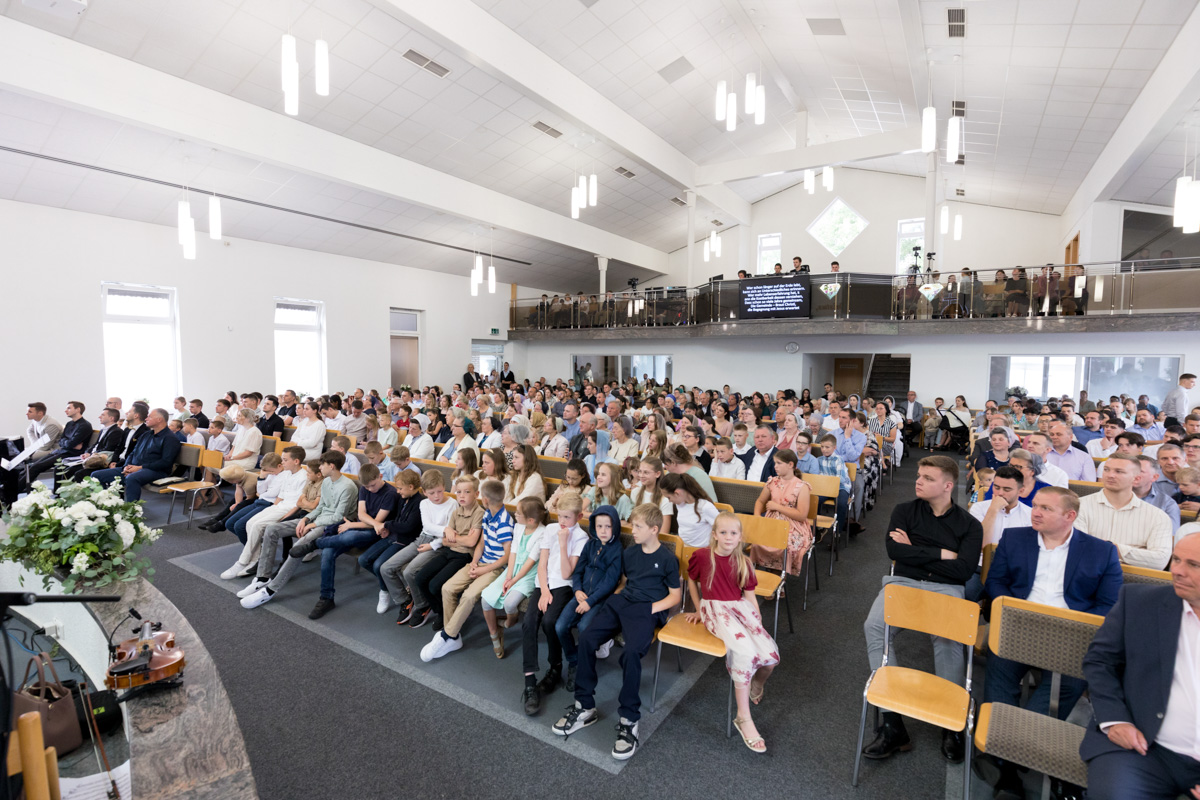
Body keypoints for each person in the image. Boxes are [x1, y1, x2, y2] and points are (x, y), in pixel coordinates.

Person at [980, 486, 1124, 799]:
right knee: (999, 676)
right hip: (1019, 624)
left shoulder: (1100, 551)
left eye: (1046, 508)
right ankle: (1008, 758)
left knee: (1067, 685)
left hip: (1070, 633)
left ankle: (1007, 757)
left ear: (1070, 516)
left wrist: (1073, 625)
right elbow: (996, 581)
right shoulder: (1015, 538)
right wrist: (1011, 608)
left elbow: (1108, 604)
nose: (1036, 512)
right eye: (1036, 505)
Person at [861, 456, 982, 764]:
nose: (918, 480)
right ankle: (892, 723)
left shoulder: (970, 525)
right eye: (919, 475)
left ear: (948, 485)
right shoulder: (904, 510)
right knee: (875, 627)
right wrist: (943, 554)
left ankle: (951, 724)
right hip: (903, 582)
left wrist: (913, 551)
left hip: (947, 588)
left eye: (928, 478)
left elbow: (964, 571)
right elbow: (894, 551)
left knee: (948, 639)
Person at [553, 503, 681, 761]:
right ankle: (584, 706)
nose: (633, 530)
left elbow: (675, 597)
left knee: (631, 653)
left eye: (638, 527)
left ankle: (629, 719)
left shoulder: (668, 559)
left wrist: (649, 609)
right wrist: (616, 598)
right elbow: (623, 582)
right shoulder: (630, 553)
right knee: (587, 638)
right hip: (623, 601)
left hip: (647, 608)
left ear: (654, 529)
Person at [1079, 532, 1200, 800]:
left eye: (1194, 564)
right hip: (1143, 747)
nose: (1177, 571)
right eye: (1176, 559)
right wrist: (1116, 720)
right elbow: (1100, 661)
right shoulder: (1141, 603)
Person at [239, 451, 357, 610]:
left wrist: (313, 524)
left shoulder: (347, 486)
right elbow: (321, 507)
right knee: (272, 529)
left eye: (322, 465)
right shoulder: (327, 482)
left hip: (332, 525)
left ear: (331, 466)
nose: (320, 467)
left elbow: (337, 516)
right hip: (317, 519)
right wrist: (305, 519)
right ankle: (263, 577)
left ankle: (271, 590)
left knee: (300, 545)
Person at [421, 478, 513, 661]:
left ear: (484, 499)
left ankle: (446, 636)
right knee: (447, 588)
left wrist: (482, 570)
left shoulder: (504, 521)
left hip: (494, 568)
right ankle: (453, 637)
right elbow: (481, 544)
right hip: (480, 563)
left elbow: (507, 557)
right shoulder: (488, 514)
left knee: (469, 596)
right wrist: (474, 563)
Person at [302, 462, 398, 619]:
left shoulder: (390, 493)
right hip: (363, 526)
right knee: (328, 553)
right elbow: (362, 515)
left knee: (350, 536)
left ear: (380, 476)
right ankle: (326, 598)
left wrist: (352, 525)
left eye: (373, 485)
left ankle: (315, 544)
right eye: (366, 487)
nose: (370, 489)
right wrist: (362, 523)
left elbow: (377, 523)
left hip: (377, 533)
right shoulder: (364, 488)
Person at [522, 493, 588, 715]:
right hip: (545, 584)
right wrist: (543, 590)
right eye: (560, 516)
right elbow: (542, 565)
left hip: (564, 586)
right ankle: (529, 683)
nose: (562, 521)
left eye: (567, 517)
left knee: (550, 622)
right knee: (529, 621)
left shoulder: (581, 537)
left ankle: (555, 667)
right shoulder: (550, 529)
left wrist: (563, 542)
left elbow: (568, 573)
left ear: (578, 517)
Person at [555, 504, 623, 691]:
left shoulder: (617, 550)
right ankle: (574, 661)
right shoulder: (590, 545)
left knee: (585, 628)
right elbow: (578, 571)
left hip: (599, 599)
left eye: (608, 526)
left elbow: (610, 582)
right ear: (594, 526)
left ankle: (584, 665)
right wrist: (577, 590)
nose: (603, 531)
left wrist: (590, 601)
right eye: (599, 526)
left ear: (615, 527)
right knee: (560, 627)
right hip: (581, 595)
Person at [1075, 453, 1173, 570]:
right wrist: (1134, 553)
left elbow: (1160, 561)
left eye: (1119, 471)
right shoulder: (1078, 506)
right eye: (1106, 469)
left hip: (1134, 579)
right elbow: (1076, 550)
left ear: (1136, 478)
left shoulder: (1157, 516)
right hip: (1085, 573)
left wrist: (1114, 549)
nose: (1110, 475)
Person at [360, 469, 424, 615]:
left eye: (400, 488)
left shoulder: (419, 502)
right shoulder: (403, 497)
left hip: (405, 540)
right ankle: (393, 584)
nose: (398, 491)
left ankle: (392, 593)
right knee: (363, 560)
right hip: (393, 536)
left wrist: (386, 525)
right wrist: (386, 528)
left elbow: (408, 527)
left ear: (411, 487)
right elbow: (395, 518)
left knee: (378, 565)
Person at [966, 465, 1032, 600]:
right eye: (996, 487)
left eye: (1007, 489)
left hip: (1012, 573)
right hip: (980, 567)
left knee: (1011, 604)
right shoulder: (978, 508)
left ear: (1021, 491)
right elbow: (981, 545)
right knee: (966, 596)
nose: (1000, 493)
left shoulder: (1030, 515)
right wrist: (993, 510)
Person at [92, 408, 181, 502]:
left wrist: (139, 468)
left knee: (132, 478)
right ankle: (108, 503)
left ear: (159, 419)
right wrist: (127, 466)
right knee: (96, 475)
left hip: (155, 471)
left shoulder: (170, 438)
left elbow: (165, 462)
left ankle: (132, 508)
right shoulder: (146, 435)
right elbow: (133, 453)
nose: (146, 419)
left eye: (149, 417)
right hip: (134, 468)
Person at [23, 401, 93, 480]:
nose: (65, 410)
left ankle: (17, 486)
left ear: (78, 410)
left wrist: (67, 443)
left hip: (70, 454)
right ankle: (16, 485)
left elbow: (70, 444)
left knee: (37, 467)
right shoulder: (69, 424)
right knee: (34, 466)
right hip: (61, 451)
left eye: (69, 408)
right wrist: (67, 443)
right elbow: (62, 441)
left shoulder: (85, 425)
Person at [661, 472, 719, 547]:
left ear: (677, 493)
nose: (669, 501)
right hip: (682, 546)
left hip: (700, 549)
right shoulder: (680, 504)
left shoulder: (705, 507)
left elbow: (722, 528)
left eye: (669, 497)